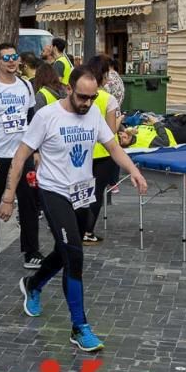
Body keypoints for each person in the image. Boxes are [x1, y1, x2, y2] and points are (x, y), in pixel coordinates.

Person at [2, 66, 148, 352]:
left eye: (92, 97)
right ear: (69, 89)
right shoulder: (47, 116)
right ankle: (79, 326)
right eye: (82, 97)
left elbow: (112, 146)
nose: (87, 103)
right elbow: (20, 156)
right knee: (75, 258)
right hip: (54, 191)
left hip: (83, 192)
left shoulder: (93, 113)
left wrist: (133, 170)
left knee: (66, 251)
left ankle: (33, 284)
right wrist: (8, 196)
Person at [0, 43, 42, 267]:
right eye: (6, 58)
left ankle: (31, 251)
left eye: (14, 57)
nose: (12, 61)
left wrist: (36, 150)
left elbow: (32, 120)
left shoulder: (25, 86)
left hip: (22, 155)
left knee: (30, 203)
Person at [76, 55, 121, 245]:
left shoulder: (78, 96)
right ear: (101, 76)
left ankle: (76, 228)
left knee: (80, 193)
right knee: (96, 195)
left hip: (82, 152)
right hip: (103, 153)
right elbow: (111, 131)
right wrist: (120, 120)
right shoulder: (108, 99)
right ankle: (87, 231)